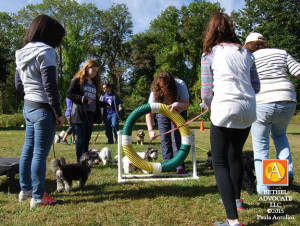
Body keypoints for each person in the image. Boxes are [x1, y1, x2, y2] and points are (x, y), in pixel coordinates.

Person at [200, 13, 260, 226]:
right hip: (248, 108)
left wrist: (207, 104)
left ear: (212, 30)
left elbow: (206, 91)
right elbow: (257, 86)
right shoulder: (246, 53)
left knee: (219, 161)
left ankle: (232, 220)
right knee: (235, 156)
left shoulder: (209, 53)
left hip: (225, 107)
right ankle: (237, 200)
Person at [15, 15, 65, 209]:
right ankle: (38, 197)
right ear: (50, 34)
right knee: (39, 154)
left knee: (27, 151)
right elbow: (50, 86)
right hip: (44, 110)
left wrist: (31, 94)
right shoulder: (47, 52)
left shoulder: (21, 52)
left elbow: (19, 84)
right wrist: (59, 113)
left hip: (28, 108)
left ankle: (25, 191)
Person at [244, 33, 300, 194]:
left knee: (261, 145)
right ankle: (287, 174)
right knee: (280, 136)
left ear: (248, 45)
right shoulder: (281, 53)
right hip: (287, 99)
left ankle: (264, 188)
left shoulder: (250, 58)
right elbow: (297, 71)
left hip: (262, 101)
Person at [146, 71, 190, 174]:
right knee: (165, 138)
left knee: (178, 138)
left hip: (179, 111)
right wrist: (150, 130)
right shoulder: (154, 91)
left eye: (166, 87)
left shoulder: (180, 85)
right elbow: (148, 111)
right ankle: (168, 164)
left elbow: (186, 104)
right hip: (162, 113)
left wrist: (178, 104)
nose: (164, 89)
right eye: (161, 87)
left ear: (171, 85)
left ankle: (179, 165)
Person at [67, 60, 110, 162]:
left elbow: (94, 100)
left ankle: (85, 160)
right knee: (81, 139)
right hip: (80, 113)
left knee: (87, 139)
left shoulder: (94, 83)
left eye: (96, 71)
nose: (95, 73)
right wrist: (83, 99)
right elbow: (69, 94)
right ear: (86, 68)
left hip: (90, 115)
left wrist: (104, 104)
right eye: (93, 70)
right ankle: (79, 161)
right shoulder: (78, 80)